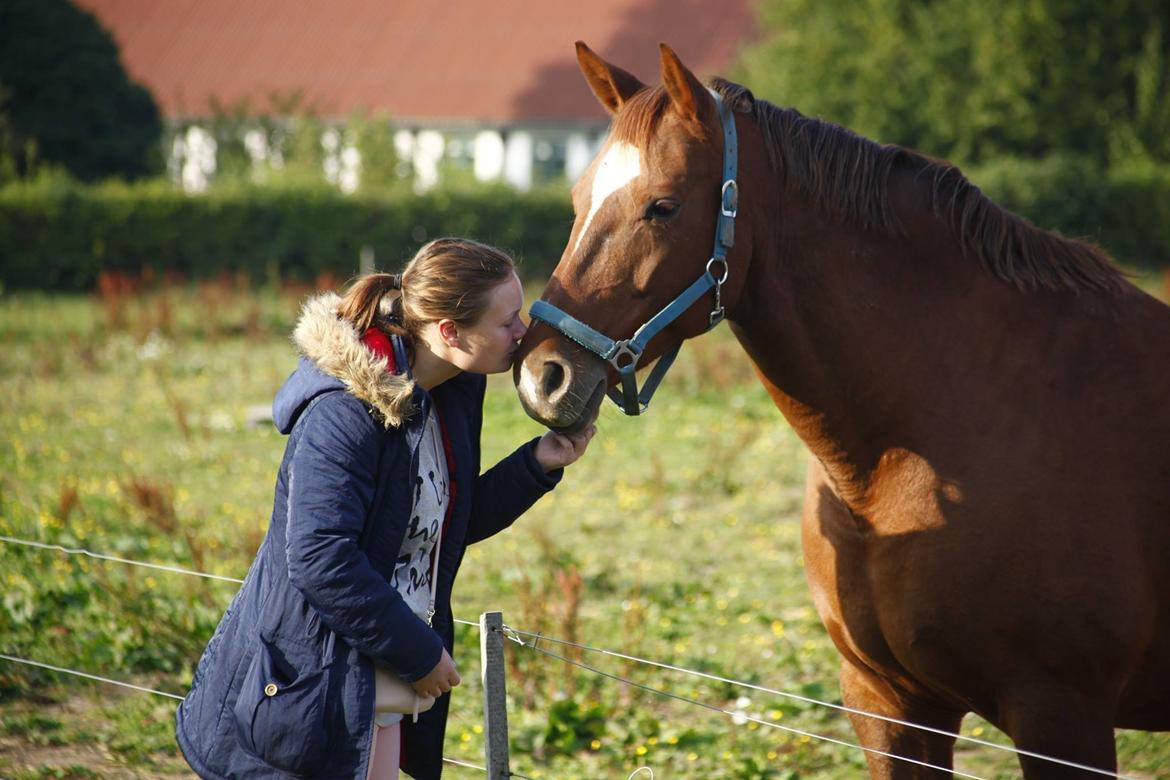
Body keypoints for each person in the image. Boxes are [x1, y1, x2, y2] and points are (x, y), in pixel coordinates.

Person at [175, 238, 596, 779]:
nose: (523, 333)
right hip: (310, 687)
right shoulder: (344, 412)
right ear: (449, 332)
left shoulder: (451, 390)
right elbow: (321, 558)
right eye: (507, 321)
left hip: (378, 677)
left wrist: (536, 464)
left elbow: (442, 524)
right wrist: (420, 653)